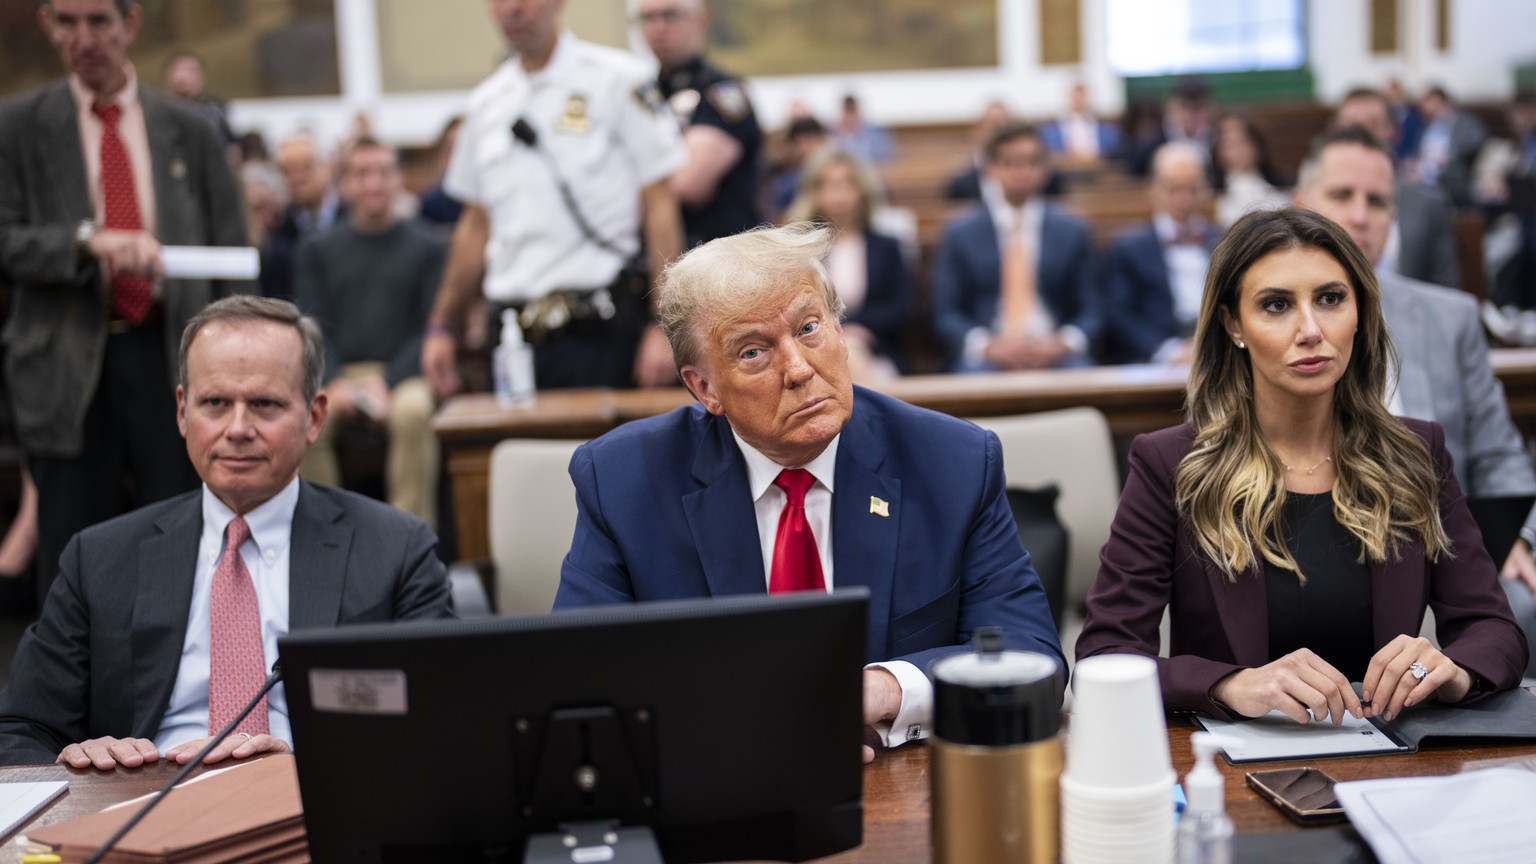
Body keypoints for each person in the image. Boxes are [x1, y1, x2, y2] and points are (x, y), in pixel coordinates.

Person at [553, 223, 1062, 761]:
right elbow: (576, 674)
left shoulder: (952, 463)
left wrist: (886, 692)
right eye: (753, 352)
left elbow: (1032, 660)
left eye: (809, 328)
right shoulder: (623, 480)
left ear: (841, 330)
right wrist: (748, 718)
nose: (798, 369)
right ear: (704, 387)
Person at [1076, 207, 1528, 724]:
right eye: (1276, 306)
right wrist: (1231, 684)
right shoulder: (1171, 464)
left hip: (1386, 758)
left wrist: (1451, 669)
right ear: (1232, 324)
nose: (1311, 330)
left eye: (1331, 299)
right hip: (1235, 762)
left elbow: (1494, 631)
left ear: (1359, 311)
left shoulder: (1416, 453)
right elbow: (1102, 658)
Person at [0, 296, 454, 769]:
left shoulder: (395, 550)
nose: (238, 428)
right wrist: (76, 763)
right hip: (143, 808)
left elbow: (447, 720)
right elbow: (20, 731)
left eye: (265, 404)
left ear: (314, 417)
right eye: (215, 403)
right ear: (182, 411)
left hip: (313, 806)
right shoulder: (99, 559)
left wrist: (299, 761)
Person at [0, 0, 250, 610]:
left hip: (170, 354)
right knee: (71, 545)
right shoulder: (20, 126)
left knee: (183, 529)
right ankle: (69, 693)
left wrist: (236, 363)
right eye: (67, 23)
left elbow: (231, 245)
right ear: (48, 27)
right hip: (65, 362)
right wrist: (87, 244)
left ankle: (185, 678)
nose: (83, 38)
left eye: (99, 22)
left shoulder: (187, 127)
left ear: (130, 25)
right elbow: (6, 239)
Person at [421, 0, 685, 393]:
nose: (513, 10)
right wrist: (442, 324)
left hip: (599, 329)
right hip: (512, 336)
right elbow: (475, 225)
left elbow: (660, 205)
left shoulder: (618, 80)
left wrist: (664, 325)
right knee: (515, 454)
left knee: (598, 453)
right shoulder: (485, 104)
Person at [294, 137, 444, 525]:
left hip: (405, 373)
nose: (373, 183)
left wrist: (389, 382)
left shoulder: (429, 245)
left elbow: (431, 327)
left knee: (412, 412)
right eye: (361, 173)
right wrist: (336, 381)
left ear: (400, 179)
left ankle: (409, 539)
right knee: (303, 419)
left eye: (383, 172)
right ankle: (325, 537)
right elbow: (311, 327)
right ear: (344, 183)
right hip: (339, 373)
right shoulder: (317, 249)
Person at [930, 123, 1100, 372]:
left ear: (1045, 169)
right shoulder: (960, 232)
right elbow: (945, 312)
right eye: (1011, 162)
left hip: (1055, 349)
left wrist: (1063, 342)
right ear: (991, 169)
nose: (1023, 171)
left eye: (1032, 161)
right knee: (973, 385)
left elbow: (1092, 308)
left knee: (1084, 379)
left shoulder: (1073, 230)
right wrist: (986, 345)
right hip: (988, 353)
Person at [638, 0, 763, 248]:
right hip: (660, 256)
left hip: (720, 259)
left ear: (700, 20)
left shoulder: (722, 93)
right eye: (647, 18)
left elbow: (686, 184)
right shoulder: (644, 93)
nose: (657, 27)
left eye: (669, 15)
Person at [783, 148, 912, 378]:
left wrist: (855, 329)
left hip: (874, 347)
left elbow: (899, 308)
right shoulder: (800, 249)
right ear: (814, 192)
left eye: (846, 184)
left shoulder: (886, 246)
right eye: (828, 185)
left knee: (851, 352)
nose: (838, 195)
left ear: (862, 190)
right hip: (810, 349)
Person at [1100, 142, 1221, 365]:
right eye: (1173, 189)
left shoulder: (1225, 241)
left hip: (1219, 349)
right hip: (1155, 354)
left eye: (1192, 189)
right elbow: (1119, 314)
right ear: (1153, 190)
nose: (1184, 199)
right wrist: (1168, 351)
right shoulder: (1128, 247)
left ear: (1206, 190)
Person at [1334, 87, 1460, 289]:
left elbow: (1445, 287)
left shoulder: (1427, 204)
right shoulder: (1315, 197)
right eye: (1350, 125)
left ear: (1393, 131)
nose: (1360, 134)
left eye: (1372, 124)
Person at [1411, 85, 1488, 206]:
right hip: (1426, 177)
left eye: (1431, 102)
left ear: (1443, 102)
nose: (1426, 108)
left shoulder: (1465, 122)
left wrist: (1450, 154)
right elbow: (1420, 153)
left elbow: (1477, 140)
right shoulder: (1427, 127)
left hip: (1454, 177)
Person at [1209, 114, 1289, 228]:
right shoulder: (1211, 190)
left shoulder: (1281, 183)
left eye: (1242, 142)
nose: (1236, 151)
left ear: (1257, 145)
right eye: (1228, 145)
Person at [944, 99, 1010, 202]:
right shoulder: (963, 172)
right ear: (979, 129)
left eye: (1001, 128)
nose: (997, 136)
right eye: (992, 126)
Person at [1039, 83, 1122, 164]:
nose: (1079, 101)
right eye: (1075, 97)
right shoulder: (1051, 129)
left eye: (1082, 97)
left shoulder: (1107, 128)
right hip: (1066, 168)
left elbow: (1114, 152)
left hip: (1098, 167)